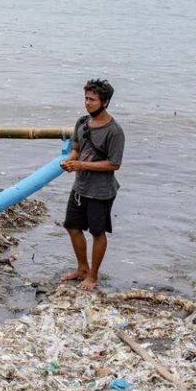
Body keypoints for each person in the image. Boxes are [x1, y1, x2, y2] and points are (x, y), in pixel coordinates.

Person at [59, 79, 125, 291]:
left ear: (105, 102)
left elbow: (114, 164)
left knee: (97, 232)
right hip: (80, 186)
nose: (87, 103)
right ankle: (82, 268)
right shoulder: (81, 123)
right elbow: (77, 148)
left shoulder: (114, 131)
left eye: (93, 100)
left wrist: (81, 164)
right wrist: (70, 160)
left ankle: (93, 276)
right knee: (72, 226)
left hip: (101, 191)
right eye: (86, 98)